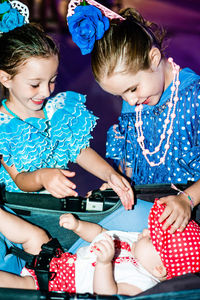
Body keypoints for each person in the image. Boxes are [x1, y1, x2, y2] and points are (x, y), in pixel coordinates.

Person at [66, 0, 200, 240]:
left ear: (154, 58)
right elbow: (132, 161)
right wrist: (121, 184)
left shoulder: (194, 97)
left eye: (133, 88)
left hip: (191, 210)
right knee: (94, 238)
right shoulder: (137, 101)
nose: (130, 100)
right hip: (150, 209)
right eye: (120, 95)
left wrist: (187, 199)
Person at [0, 0, 134, 210]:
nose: (46, 92)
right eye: (35, 84)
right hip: (22, 210)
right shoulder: (4, 126)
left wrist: (110, 174)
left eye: (52, 80)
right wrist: (42, 177)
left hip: (55, 207)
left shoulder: (56, 111)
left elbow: (79, 150)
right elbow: (19, 178)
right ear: (6, 78)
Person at [0, 198, 199, 295]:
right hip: (58, 260)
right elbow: (99, 232)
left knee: (22, 286)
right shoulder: (133, 242)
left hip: (53, 287)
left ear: (160, 268)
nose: (145, 232)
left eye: (151, 238)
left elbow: (106, 295)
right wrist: (78, 226)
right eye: (150, 229)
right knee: (37, 236)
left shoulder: (142, 284)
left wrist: (104, 265)